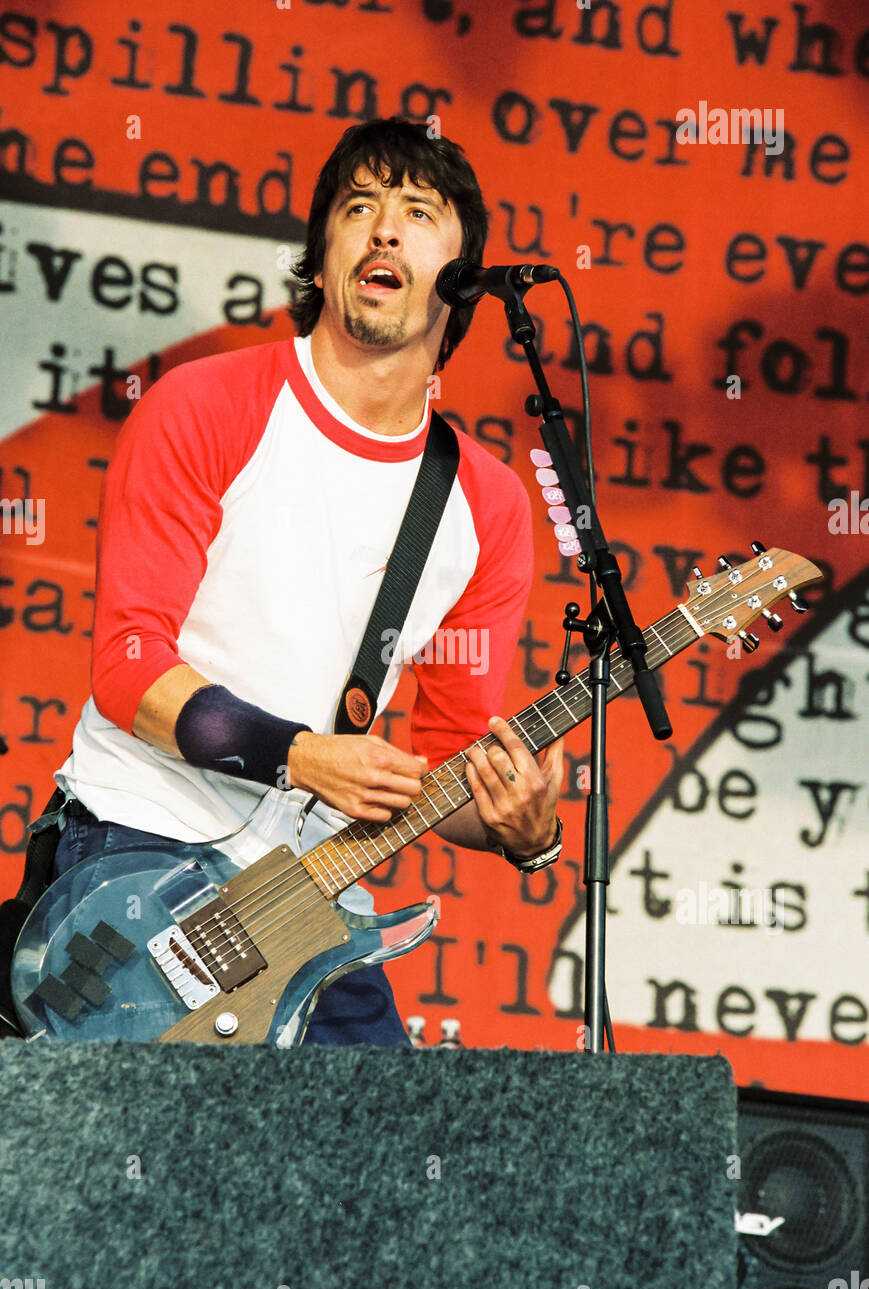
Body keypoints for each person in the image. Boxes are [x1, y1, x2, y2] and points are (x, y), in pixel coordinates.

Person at [44, 117, 564, 1046]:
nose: (384, 229)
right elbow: (128, 670)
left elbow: (448, 753)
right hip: (138, 855)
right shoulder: (203, 407)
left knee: (394, 1178)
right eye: (358, 208)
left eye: (418, 212)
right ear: (319, 267)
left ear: (462, 281)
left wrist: (524, 832)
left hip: (309, 888)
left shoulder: (487, 503)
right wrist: (298, 756)